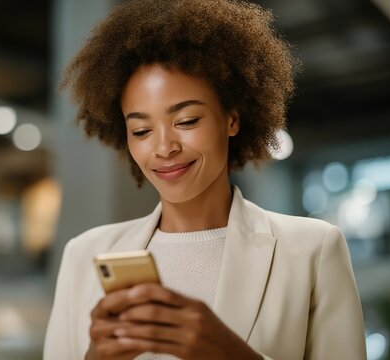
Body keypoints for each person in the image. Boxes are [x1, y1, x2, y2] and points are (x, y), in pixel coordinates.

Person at [44, 0, 366, 359]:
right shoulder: (84, 254)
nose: (164, 147)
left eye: (186, 121)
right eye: (141, 129)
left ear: (232, 118)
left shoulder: (312, 250)